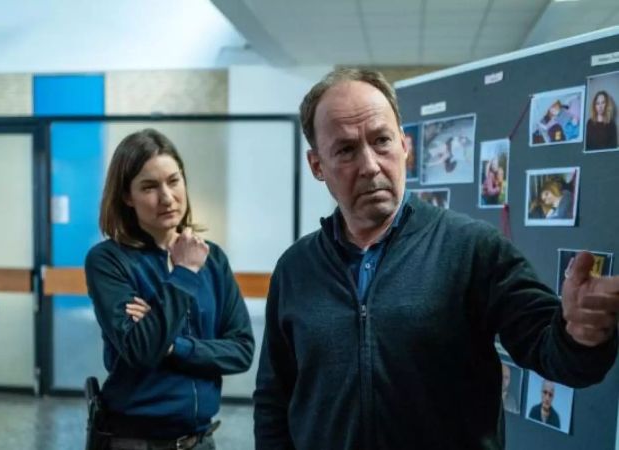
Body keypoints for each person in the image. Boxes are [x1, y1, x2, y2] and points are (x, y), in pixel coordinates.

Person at [253, 68, 619, 449]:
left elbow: (553, 352)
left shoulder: (472, 249)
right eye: (345, 150)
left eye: (381, 141)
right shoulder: (296, 269)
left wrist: (579, 335)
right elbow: (274, 399)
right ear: (317, 166)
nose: (370, 165)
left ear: (405, 146)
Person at [84, 128, 254, 450]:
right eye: (149, 187)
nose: (167, 197)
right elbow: (142, 349)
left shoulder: (213, 258)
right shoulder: (108, 261)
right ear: (126, 196)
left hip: (200, 441)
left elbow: (241, 350)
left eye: (173, 181)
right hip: (133, 441)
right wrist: (186, 272)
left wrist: (174, 346)